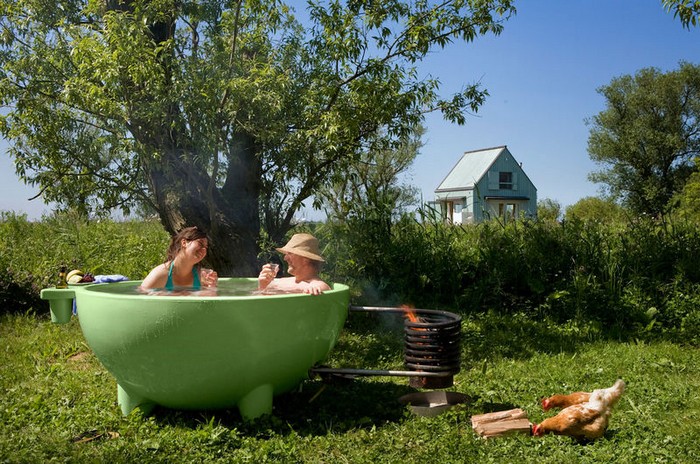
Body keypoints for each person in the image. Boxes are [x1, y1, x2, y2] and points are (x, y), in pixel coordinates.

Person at [140, 226, 218, 291]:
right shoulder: (160, 275)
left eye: (206, 247)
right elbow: (140, 300)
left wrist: (211, 287)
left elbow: (209, 304)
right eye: (200, 244)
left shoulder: (202, 277)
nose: (203, 250)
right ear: (184, 243)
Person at [258, 233, 331, 295]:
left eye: (290, 253)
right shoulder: (282, 282)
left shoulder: (317, 286)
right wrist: (263, 285)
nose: (285, 258)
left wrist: (313, 291)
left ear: (305, 259)